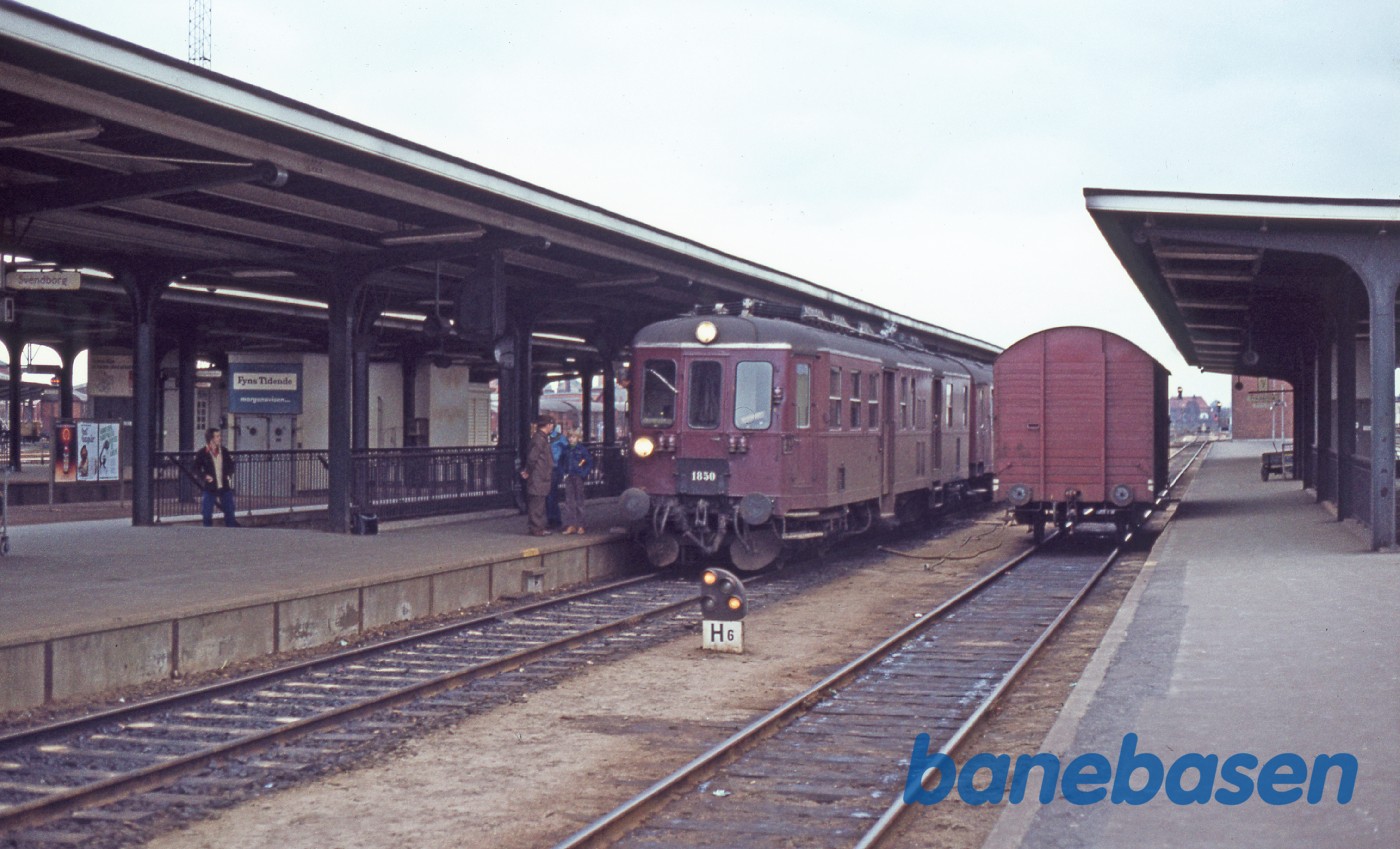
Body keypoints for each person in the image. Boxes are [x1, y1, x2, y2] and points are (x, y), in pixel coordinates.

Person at [193, 427, 240, 527]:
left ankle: (232, 534)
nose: (220, 438)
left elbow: (231, 465)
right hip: (210, 487)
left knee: (230, 513)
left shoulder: (224, 451)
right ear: (211, 439)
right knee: (206, 513)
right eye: (217, 436)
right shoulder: (202, 453)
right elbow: (195, 468)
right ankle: (208, 534)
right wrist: (205, 476)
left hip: (224, 486)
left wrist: (228, 474)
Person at [520, 415, 556, 536]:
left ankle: (537, 527)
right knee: (537, 503)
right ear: (549, 425)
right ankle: (537, 529)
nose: (552, 427)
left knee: (538, 502)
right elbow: (532, 458)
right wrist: (528, 471)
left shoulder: (540, 438)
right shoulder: (540, 439)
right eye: (552, 425)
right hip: (538, 476)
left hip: (540, 476)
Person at [559, 428, 594, 535]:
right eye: (569, 437)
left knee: (579, 501)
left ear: (578, 438)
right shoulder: (565, 449)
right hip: (569, 476)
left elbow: (588, 462)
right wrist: (563, 473)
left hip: (578, 476)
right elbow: (560, 462)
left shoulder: (582, 450)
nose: (571, 439)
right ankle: (571, 525)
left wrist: (583, 473)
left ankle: (581, 525)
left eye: (573, 437)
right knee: (569, 501)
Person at [546, 424, 567, 529]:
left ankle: (553, 519)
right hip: (547, 469)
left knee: (551, 494)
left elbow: (567, 451)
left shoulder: (559, 438)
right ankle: (553, 519)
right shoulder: (543, 436)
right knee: (550, 494)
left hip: (555, 468)